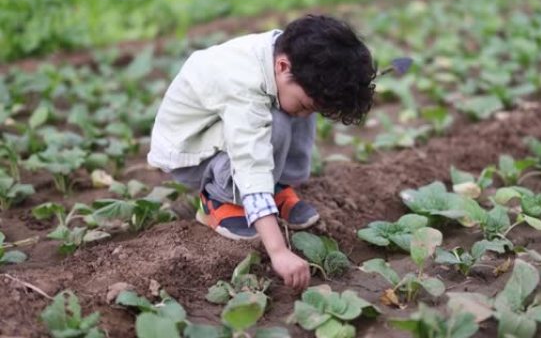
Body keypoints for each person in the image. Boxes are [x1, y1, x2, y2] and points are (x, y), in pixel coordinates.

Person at [147, 15, 376, 290]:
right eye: (304, 103)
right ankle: (218, 200)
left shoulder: (291, 56)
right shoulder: (242, 84)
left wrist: (308, 106)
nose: (305, 112)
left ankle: (276, 186)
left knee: (297, 109)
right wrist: (278, 251)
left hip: (222, 130)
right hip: (191, 150)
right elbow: (250, 161)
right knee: (276, 123)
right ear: (282, 66)